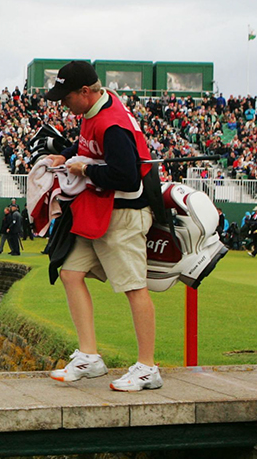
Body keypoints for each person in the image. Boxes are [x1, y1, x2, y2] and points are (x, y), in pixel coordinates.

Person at [44, 61, 161, 392]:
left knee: (134, 287)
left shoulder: (112, 123)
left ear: (85, 92)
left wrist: (85, 171)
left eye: (66, 97)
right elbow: (85, 147)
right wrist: (65, 155)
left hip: (124, 214)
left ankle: (148, 368)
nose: (63, 104)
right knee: (70, 272)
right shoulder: (94, 110)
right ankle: (89, 356)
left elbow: (124, 174)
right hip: (97, 211)